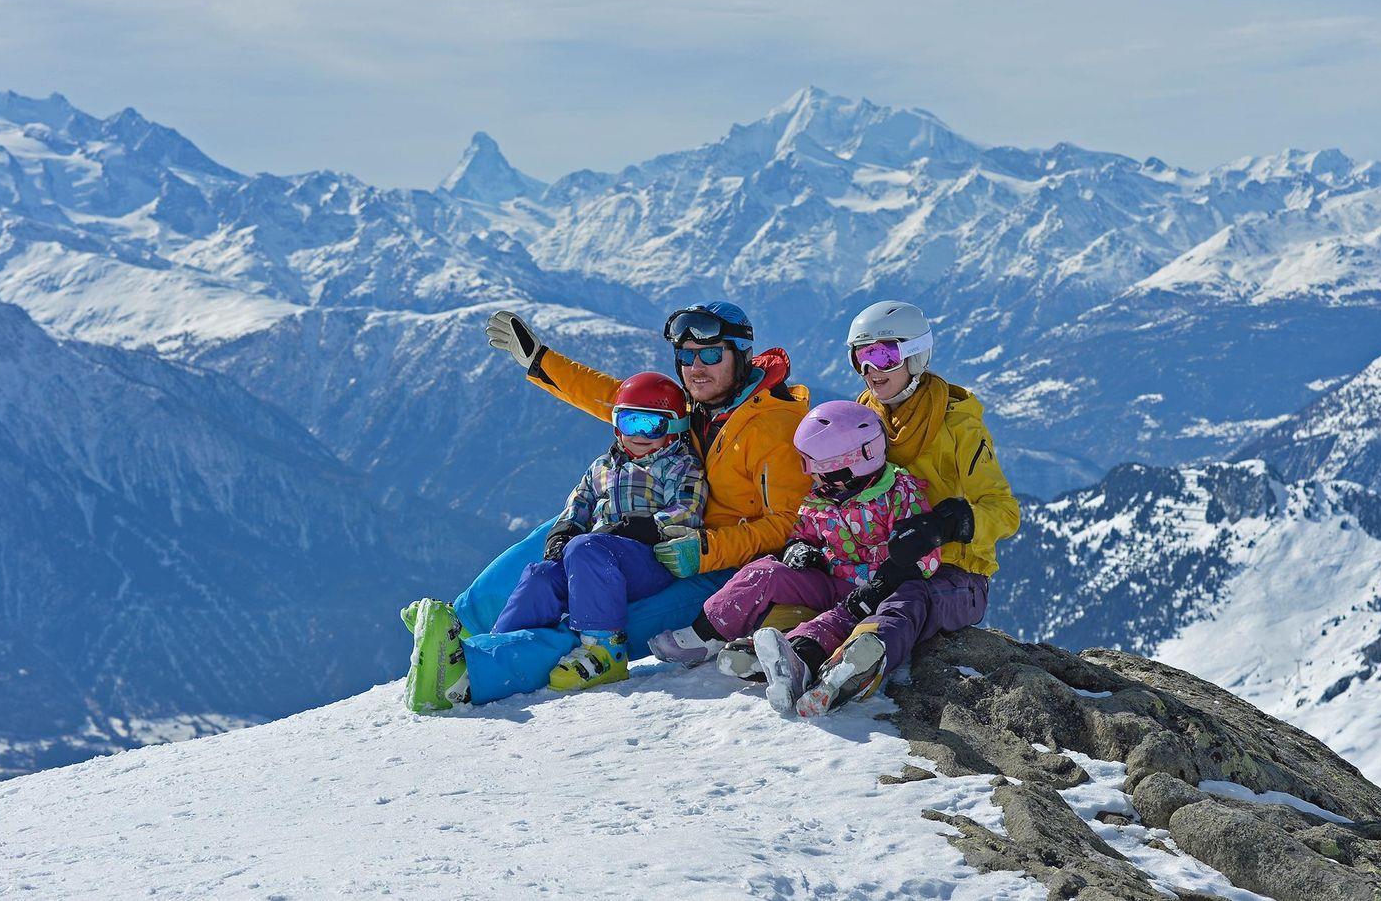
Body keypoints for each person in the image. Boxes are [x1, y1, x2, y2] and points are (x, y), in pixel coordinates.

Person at [403, 301, 810, 706]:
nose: (696, 367)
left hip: (716, 570)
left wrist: (704, 549)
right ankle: (460, 624)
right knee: (557, 537)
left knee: (598, 618)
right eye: (686, 356)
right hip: (655, 536)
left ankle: (473, 672)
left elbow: (788, 524)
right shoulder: (699, 406)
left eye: (710, 355)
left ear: (741, 355)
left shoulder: (774, 428)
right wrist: (541, 361)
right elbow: (617, 400)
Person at [749, 299, 1020, 717]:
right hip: (875, 564)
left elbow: (1004, 510)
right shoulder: (864, 414)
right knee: (815, 582)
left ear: (916, 355)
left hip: (952, 572)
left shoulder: (958, 426)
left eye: (884, 356)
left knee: (909, 597)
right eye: (861, 356)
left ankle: (858, 664)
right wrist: (810, 542)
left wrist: (947, 525)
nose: (870, 369)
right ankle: (788, 652)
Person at [649, 401, 941, 684]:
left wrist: (884, 583)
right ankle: (707, 633)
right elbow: (803, 531)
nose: (811, 474)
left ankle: (790, 656)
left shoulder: (899, 493)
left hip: (875, 593)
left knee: (835, 620)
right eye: (807, 464)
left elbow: (924, 553)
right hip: (829, 582)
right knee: (765, 571)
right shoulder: (822, 496)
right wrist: (799, 547)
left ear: (858, 460)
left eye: (819, 467)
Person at [492, 372, 707, 693]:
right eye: (630, 422)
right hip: (593, 560)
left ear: (675, 428)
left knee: (586, 547)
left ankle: (605, 648)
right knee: (540, 575)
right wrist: (563, 532)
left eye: (652, 425)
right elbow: (579, 503)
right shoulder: (603, 466)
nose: (639, 434)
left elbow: (688, 510)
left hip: (649, 559)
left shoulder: (679, 466)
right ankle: (500, 650)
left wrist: (643, 526)